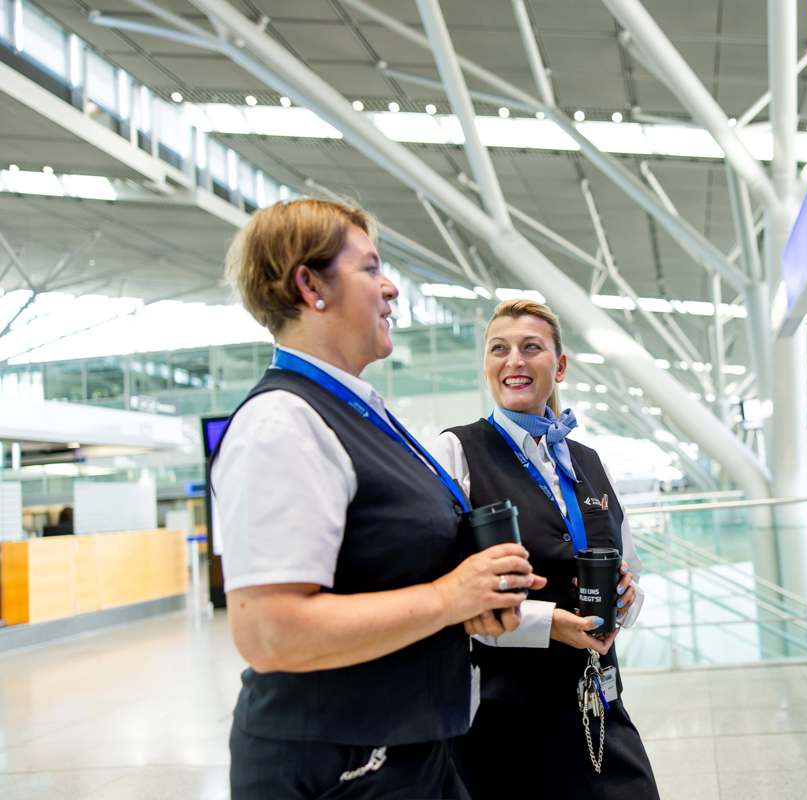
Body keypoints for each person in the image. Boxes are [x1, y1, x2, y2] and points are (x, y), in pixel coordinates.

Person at [212, 198, 544, 799]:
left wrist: (474, 599)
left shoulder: (362, 412)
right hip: (338, 766)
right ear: (310, 285)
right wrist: (450, 596)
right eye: (369, 269)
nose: (390, 288)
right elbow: (269, 631)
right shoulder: (282, 423)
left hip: (412, 748)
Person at [431, 299, 660, 800]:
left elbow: (631, 568)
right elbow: (445, 591)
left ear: (558, 366)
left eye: (530, 347)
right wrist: (548, 624)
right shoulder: (456, 452)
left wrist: (625, 599)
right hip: (504, 717)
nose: (514, 360)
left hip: (599, 702)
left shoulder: (587, 460)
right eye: (499, 349)